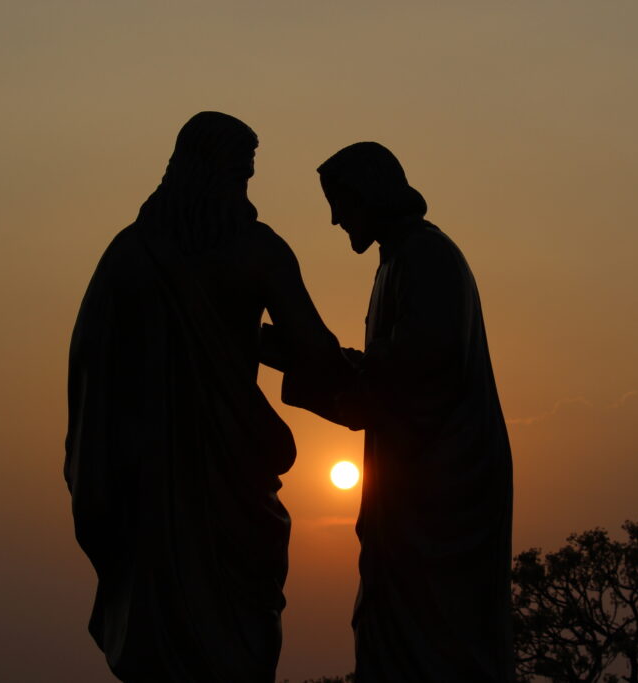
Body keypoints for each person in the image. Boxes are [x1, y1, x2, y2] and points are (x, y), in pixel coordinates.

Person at [64, 111, 337, 683]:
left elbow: (89, 366)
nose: (242, 191)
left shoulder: (129, 254)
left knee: (203, 633)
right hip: (176, 479)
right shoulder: (255, 251)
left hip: (178, 477)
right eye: (238, 177)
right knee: (233, 637)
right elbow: (318, 353)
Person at [273, 142, 514, 682]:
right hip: (411, 482)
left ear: (369, 196)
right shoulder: (395, 263)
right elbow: (386, 377)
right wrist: (302, 358)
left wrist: (317, 360)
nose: (335, 218)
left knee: (441, 636)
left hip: (447, 488)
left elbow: (419, 368)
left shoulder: (427, 256)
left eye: (340, 202)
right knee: (396, 628)